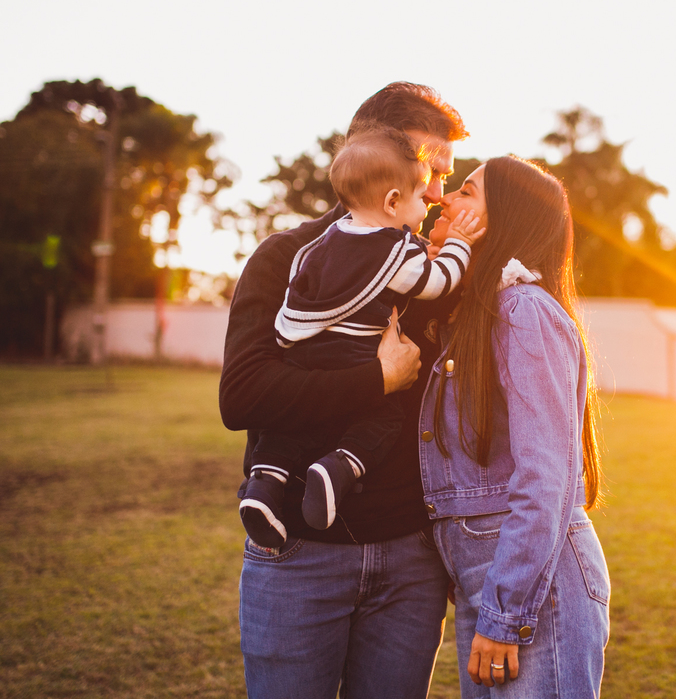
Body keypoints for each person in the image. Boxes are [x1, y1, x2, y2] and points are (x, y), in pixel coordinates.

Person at [220, 82, 467, 699]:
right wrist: (375, 380)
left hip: (413, 559)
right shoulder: (287, 257)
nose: (437, 189)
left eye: (446, 173)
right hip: (300, 554)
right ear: (373, 151)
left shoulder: (425, 265)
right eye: (430, 166)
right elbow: (242, 396)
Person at [418, 156, 611, 698]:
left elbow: (545, 477)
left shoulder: (523, 310)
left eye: (467, 193)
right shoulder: (475, 316)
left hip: (531, 589)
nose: (445, 199)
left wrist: (506, 615)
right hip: (497, 581)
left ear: (500, 222)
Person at [239, 124, 484, 543]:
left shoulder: (320, 246)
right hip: (354, 355)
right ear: (392, 200)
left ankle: (264, 484)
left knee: (285, 434)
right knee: (384, 416)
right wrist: (460, 244)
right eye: (426, 182)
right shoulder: (394, 252)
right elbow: (438, 280)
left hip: (302, 349)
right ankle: (339, 468)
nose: (435, 197)